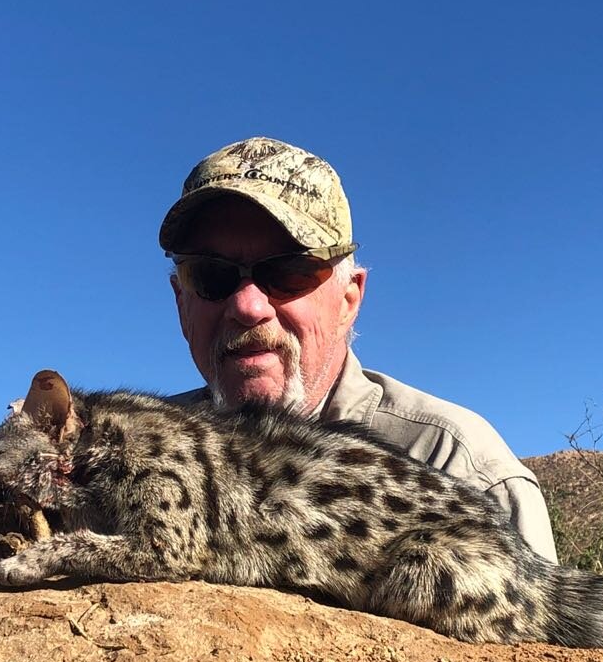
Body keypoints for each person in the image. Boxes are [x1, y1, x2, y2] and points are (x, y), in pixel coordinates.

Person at [159, 136, 557, 563]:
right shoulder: (130, 455)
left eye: (288, 272)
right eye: (210, 276)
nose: (248, 306)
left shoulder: (459, 464)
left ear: (349, 299)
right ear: (182, 303)